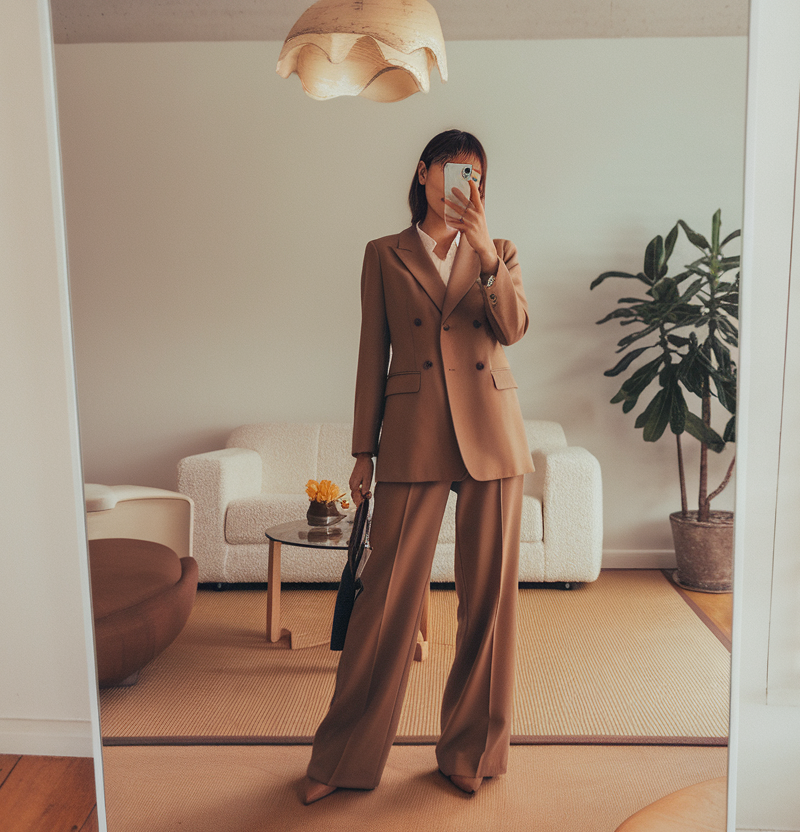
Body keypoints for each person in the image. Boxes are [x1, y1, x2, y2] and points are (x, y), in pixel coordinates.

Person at [303, 129, 534, 804]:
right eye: (459, 168)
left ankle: (473, 753)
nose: (469, 181)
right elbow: (371, 353)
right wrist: (361, 452)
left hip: (493, 431)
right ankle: (341, 758)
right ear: (426, 171)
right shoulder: (384, 254)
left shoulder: (502, 251)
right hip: (413, 431)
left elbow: (513, 329)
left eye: (480, 174)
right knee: (384, 604)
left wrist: (488, 256)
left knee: (488, 600)